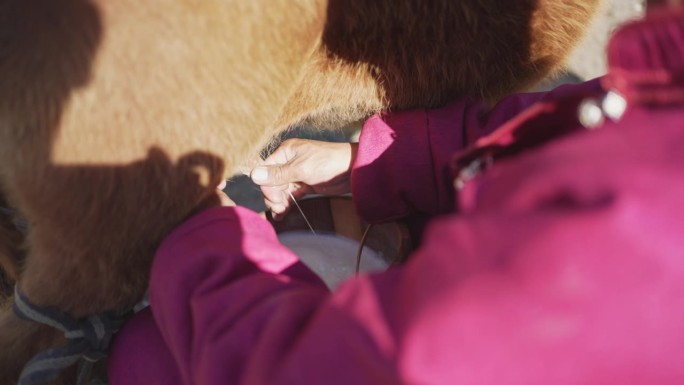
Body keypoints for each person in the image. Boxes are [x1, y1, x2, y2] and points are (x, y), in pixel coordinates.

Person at [109, 3, 684, 384]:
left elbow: (322, 370)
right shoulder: (664, 95)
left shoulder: (639, 246)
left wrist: (208, 241)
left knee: (146, 354)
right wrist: (372, 160)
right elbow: (575, 123)